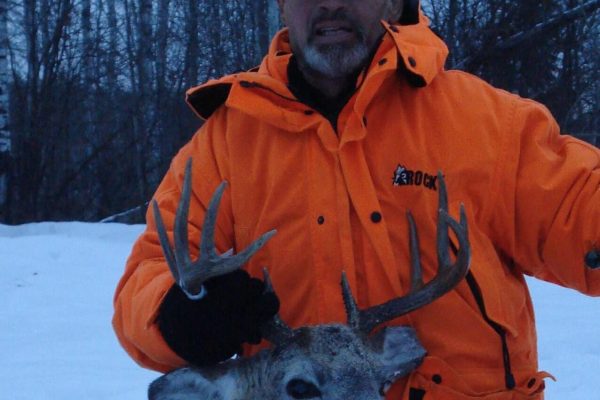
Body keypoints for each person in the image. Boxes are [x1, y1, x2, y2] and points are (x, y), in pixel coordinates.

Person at [113, 0, 600, 398]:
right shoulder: (225, 145)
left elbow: (577, 205)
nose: (331, 5)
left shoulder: (487, 126)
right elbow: (150, 275)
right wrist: (177, 315)